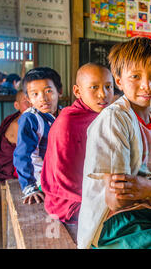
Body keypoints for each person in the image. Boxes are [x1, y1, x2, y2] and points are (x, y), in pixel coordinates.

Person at [77, 37, 151, 249]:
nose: (147, 85)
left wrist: (147, 187)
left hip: (147, 215)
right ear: (119, 81)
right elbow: (118, 199)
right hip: (113, 224)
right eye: (135, 76)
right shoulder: (114, 119)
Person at [41, 63, 114, 224]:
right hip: (70, 200)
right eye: (94, 87)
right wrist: (107, 196)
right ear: (77, 91)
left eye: (108, 87)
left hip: (99, 190)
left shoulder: (104, 115)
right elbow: (63, 178)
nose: (103, 94)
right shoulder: (68, 123)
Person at [13, 67, 62, 204]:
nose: (43, 99)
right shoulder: (31, 119)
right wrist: (29, 186)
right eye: (35, 94)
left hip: (63, 171)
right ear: (28, 98)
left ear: (59, 92)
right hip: (41, 176)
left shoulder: (65, 114)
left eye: (48, 91)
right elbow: (22, 155)